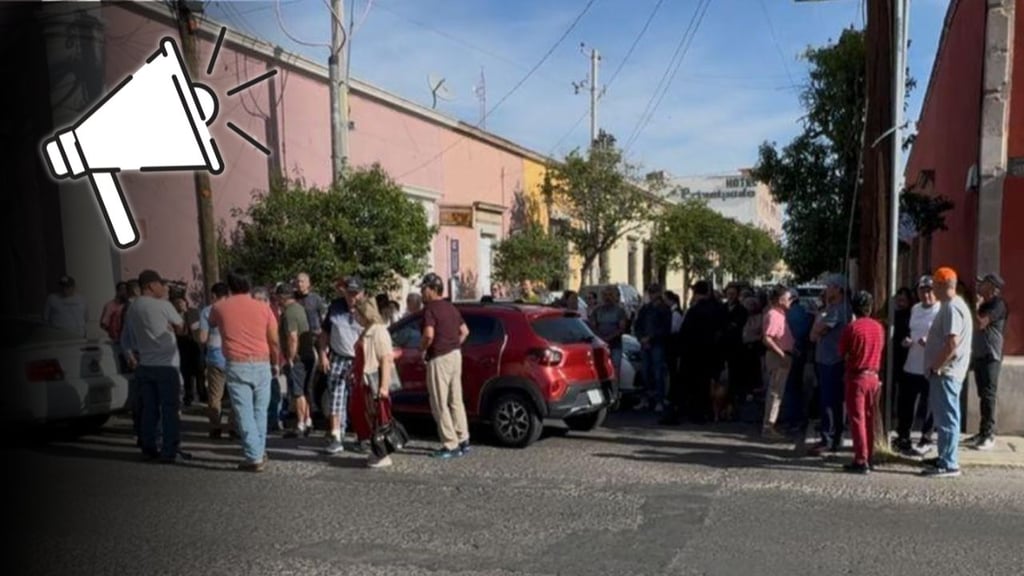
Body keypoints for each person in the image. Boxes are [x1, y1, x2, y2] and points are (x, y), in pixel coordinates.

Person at [209, 269, 279, 472]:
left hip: (236, 362)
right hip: (262, 362)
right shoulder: (264, 309)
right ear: (249, 284)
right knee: (260, 411)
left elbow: (211, 322)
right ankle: (260, 450)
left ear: (229, 285)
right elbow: (273, 340)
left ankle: (254, 455)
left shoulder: (220, 307)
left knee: (244, 411)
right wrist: (276, 363)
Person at [121, 270, 185, 463]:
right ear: (150, 286)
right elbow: (181, 326)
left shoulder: (132, 308)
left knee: (149, 409)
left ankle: (148, 446)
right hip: (166, 366)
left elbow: (129, 336)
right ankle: (169, 450)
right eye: (159, 285)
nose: (162, 288)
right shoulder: (163, 305)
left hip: (145, 364)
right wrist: (172, 324)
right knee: (169, 409)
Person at [921, 266, 973, 478]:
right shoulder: (951, 305)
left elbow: (952, 343)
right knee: (943, 417)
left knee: (948, 417)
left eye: (935, 284)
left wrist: (936, 365)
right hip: (946, 372)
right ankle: (944, 455)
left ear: (943, 285)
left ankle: (949, 463)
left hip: (947, 372)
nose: (932, 288)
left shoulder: (952, 307)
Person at [419, 272, 470, 459]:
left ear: (432, 290)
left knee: (439, 402)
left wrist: (422, 349)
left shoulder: (430, 309)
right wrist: (453, 343)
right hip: (456, 355)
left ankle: (450, 444)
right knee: (455, 399)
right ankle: (463, 438)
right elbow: (465, 331)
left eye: (424, 289)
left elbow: (429, 334)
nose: (422, 292)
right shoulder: (451, 308)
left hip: (439, 357)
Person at [838, 291, 885, 474]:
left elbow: (842, 352)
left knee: (857, 419)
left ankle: (861, 458)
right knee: (870, 417)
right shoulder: (878, 327)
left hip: (857, 376)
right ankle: (870, 455)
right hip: (873, 376)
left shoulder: (852, 328)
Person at [319, 276, 367, 453]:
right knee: (336, 399)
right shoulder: (335, 307)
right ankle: (336, 436)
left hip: (359, 359)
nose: (352, 297)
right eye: (349, 293)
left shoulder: (367, 310)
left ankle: (362, 437)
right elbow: (324, 333)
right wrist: (323, 355)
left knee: (360, 400)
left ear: (362, 293)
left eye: (355, 293)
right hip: (338, 357)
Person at [895, 276, 939, 455]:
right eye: (922, 290)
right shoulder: (915, 308)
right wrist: (906, 340)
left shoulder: (940, 310)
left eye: (929, 290)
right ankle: (903, 436)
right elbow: (910, 331)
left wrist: (930, 340)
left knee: (929, 404)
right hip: (911, 363)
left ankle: (926, 438)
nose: (926, 294)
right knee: (906, 403)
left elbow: (947, 337)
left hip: (930, 365)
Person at [809, 274, 851, 455]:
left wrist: (819, 318)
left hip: (832, 361)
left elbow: (818, 331)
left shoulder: (838, 310)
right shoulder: (832, 308)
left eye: (829, 287)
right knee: (831, 400)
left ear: (838, 289)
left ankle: (830, 438)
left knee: (830, 400)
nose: (826, 290)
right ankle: (833, 436)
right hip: (825, 359)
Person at [353, 298, 397, 468]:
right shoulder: (367, 331)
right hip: (364, 382)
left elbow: (386, 359)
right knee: (369, 419)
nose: (356, 317)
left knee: (380, 420)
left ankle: (383, 454)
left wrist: (384, 387)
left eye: (358, 313)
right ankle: (376, 451)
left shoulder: (379, 332)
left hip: (375, 381)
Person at [969, 273, 1009, 451]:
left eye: (983, 283)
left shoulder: (997, 305)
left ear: (993, 288)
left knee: (988, 395)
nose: (979, 285)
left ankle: (989, 435)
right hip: (979, 354)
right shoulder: (984, 304)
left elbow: (980, 324)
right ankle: (982, 431)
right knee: (982, 395)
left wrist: (976, 306)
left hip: (991, 356)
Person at [277, 281, 316, 439]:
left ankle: (300, 424)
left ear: (283, 297)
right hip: (308, 354)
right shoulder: (300, 308)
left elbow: (293, 337)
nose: (277, 301)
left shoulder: (289, 313)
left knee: (298, 391)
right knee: (306, 390)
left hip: (299, 357)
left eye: (277, 297)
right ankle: (307, 421)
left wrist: (291, 358)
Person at [199, 282, 234, 439]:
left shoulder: (207, 311)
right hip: (234, 356)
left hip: (215, 358)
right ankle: (234, 426)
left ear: (213, 296)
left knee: (215, 396)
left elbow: (202, 337)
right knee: (235, 394)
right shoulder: (235, 310)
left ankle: (215, 427)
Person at [761, 284, 794, 439]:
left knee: (778, 393)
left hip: (783, 355)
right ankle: (768, 427)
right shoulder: (774, 315)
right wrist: (782, 354)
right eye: (788, 298)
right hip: (778, 357)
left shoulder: (780, 314)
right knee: (775, 393)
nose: (790, 301)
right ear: (781, 300)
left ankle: (772, 424)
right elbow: (767, 339)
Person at [633, 284, 672, 412]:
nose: (652, 294)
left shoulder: (665, 309)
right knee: (645, 372)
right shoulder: (645, 308)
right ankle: (646, 398)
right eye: (650, 292)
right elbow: (637, 324)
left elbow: (665, 328)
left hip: (657, 344)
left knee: (658, 373)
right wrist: (641, 338)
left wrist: (651, 337)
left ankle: (659, 400)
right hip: (645, 344)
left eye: (654, 292)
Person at [588, 286, 629, 382]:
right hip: (600, 346)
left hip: (615, 345)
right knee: (600, 368)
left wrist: (609, 338)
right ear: (602, 297)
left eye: (610, 295)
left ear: (614, 297)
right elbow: (592, 327)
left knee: (615, 368)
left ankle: (615, 392)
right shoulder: (597, 311)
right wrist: (601, 339)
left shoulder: (619, 311)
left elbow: (622, 328)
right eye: (605, 295)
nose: (607, 297)